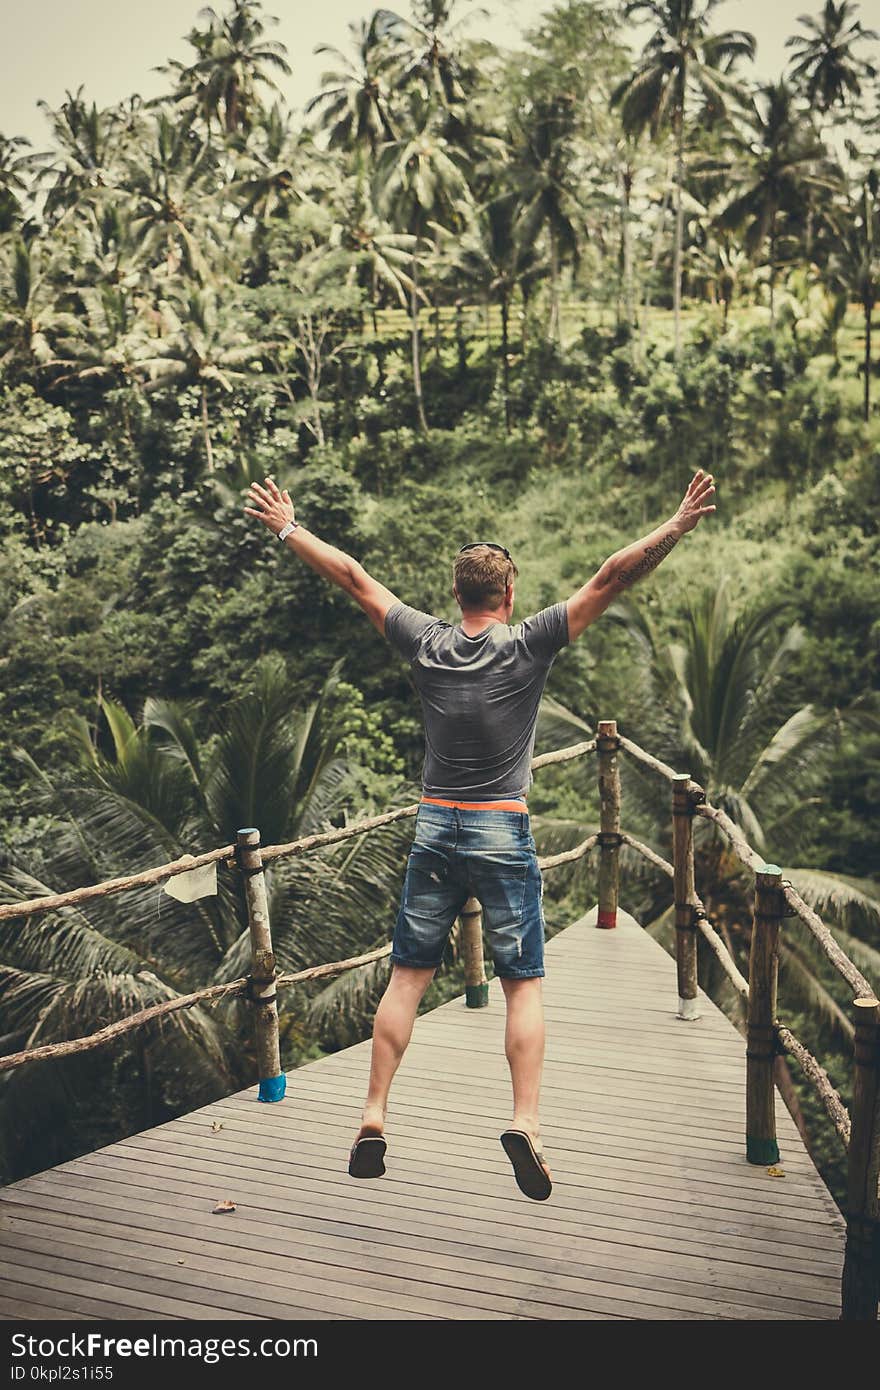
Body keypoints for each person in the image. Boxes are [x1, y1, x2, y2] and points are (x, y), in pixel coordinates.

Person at [244, 469, 716, 1200]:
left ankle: (373, 1114)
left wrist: (287, 526)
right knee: (522, 985)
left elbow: (354, 577)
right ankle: (525, 1122)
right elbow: (612, 576)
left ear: (457, 594)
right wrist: (677, 525)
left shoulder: (424, 641)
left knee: (407, 977)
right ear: (509, 596)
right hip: (502, 828)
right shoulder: (529, 645)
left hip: (436, 825)